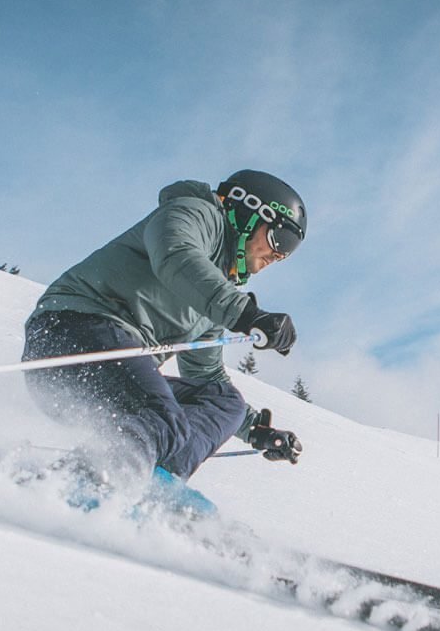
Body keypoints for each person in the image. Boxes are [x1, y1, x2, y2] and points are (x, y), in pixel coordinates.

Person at [20, 169, 306, 497]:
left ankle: (156, 485)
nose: (280, 255)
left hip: (114, 371)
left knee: (224, 401)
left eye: (289, 251)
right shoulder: (194, 213)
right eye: (280, 239)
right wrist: (244, 313)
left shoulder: (215, 289)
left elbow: (205, 373)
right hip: (72, 332)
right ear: (249, 212)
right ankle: (91, 481)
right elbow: (175, 255)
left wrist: (255, 429)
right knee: (159, 415)